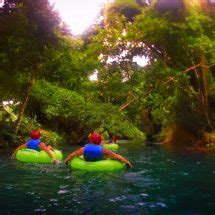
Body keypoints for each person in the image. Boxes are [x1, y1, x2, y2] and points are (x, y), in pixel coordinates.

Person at [64, 132, 132, 168]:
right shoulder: (103, 150)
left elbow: (72, 155)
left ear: (90, 140)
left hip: (86, 163)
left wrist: (66, 161)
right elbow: (118, 157)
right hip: (101, 163)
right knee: (114, 155)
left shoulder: (83, 149)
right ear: (100, 141)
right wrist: (128, 163)